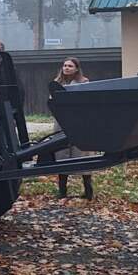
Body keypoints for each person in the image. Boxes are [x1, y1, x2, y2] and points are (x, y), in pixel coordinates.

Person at [53, 57, 92, 200]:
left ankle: (88, 191)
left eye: (70, 66)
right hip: (61, 121)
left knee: (82, 155)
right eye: (65, 65)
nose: (66, 68)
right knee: (61, 154)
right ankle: (62, 191)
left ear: (76, 69)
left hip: (79, 122)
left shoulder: (84, 83)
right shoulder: (57, 83)